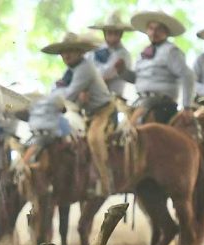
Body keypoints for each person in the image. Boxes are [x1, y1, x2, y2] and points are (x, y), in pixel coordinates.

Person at [43, 32, 116, 196]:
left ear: (80, 52)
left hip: (103, 112)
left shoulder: (85, 68)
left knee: (94, 138)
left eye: (71, 51)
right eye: (63, 51)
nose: (66, 55)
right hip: (87, 113)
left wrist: (66, 94)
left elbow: (67, 95)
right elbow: (58, 92)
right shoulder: (71, 70)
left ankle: (105, 182)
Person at [116, 10, 195, 124]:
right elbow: (137, 79)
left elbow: (187, 75)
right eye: (151, 28)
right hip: (141, 101)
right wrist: (122, 71)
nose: (154, 32)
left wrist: (187, 106)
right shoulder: (143, 53)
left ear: (166, 32)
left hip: (162, 104)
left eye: (159, 29)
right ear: (147, 30)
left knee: (135, 128)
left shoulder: (171, 51)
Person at [87, 11, 133, 97]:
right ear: (104, 33)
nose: (113, 37)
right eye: (110, 33)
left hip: (112, 98)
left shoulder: (123, 54)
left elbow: (105, 74)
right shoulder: (94, 51)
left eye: (116, 33)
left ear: (121, 34)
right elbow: (85, 66)